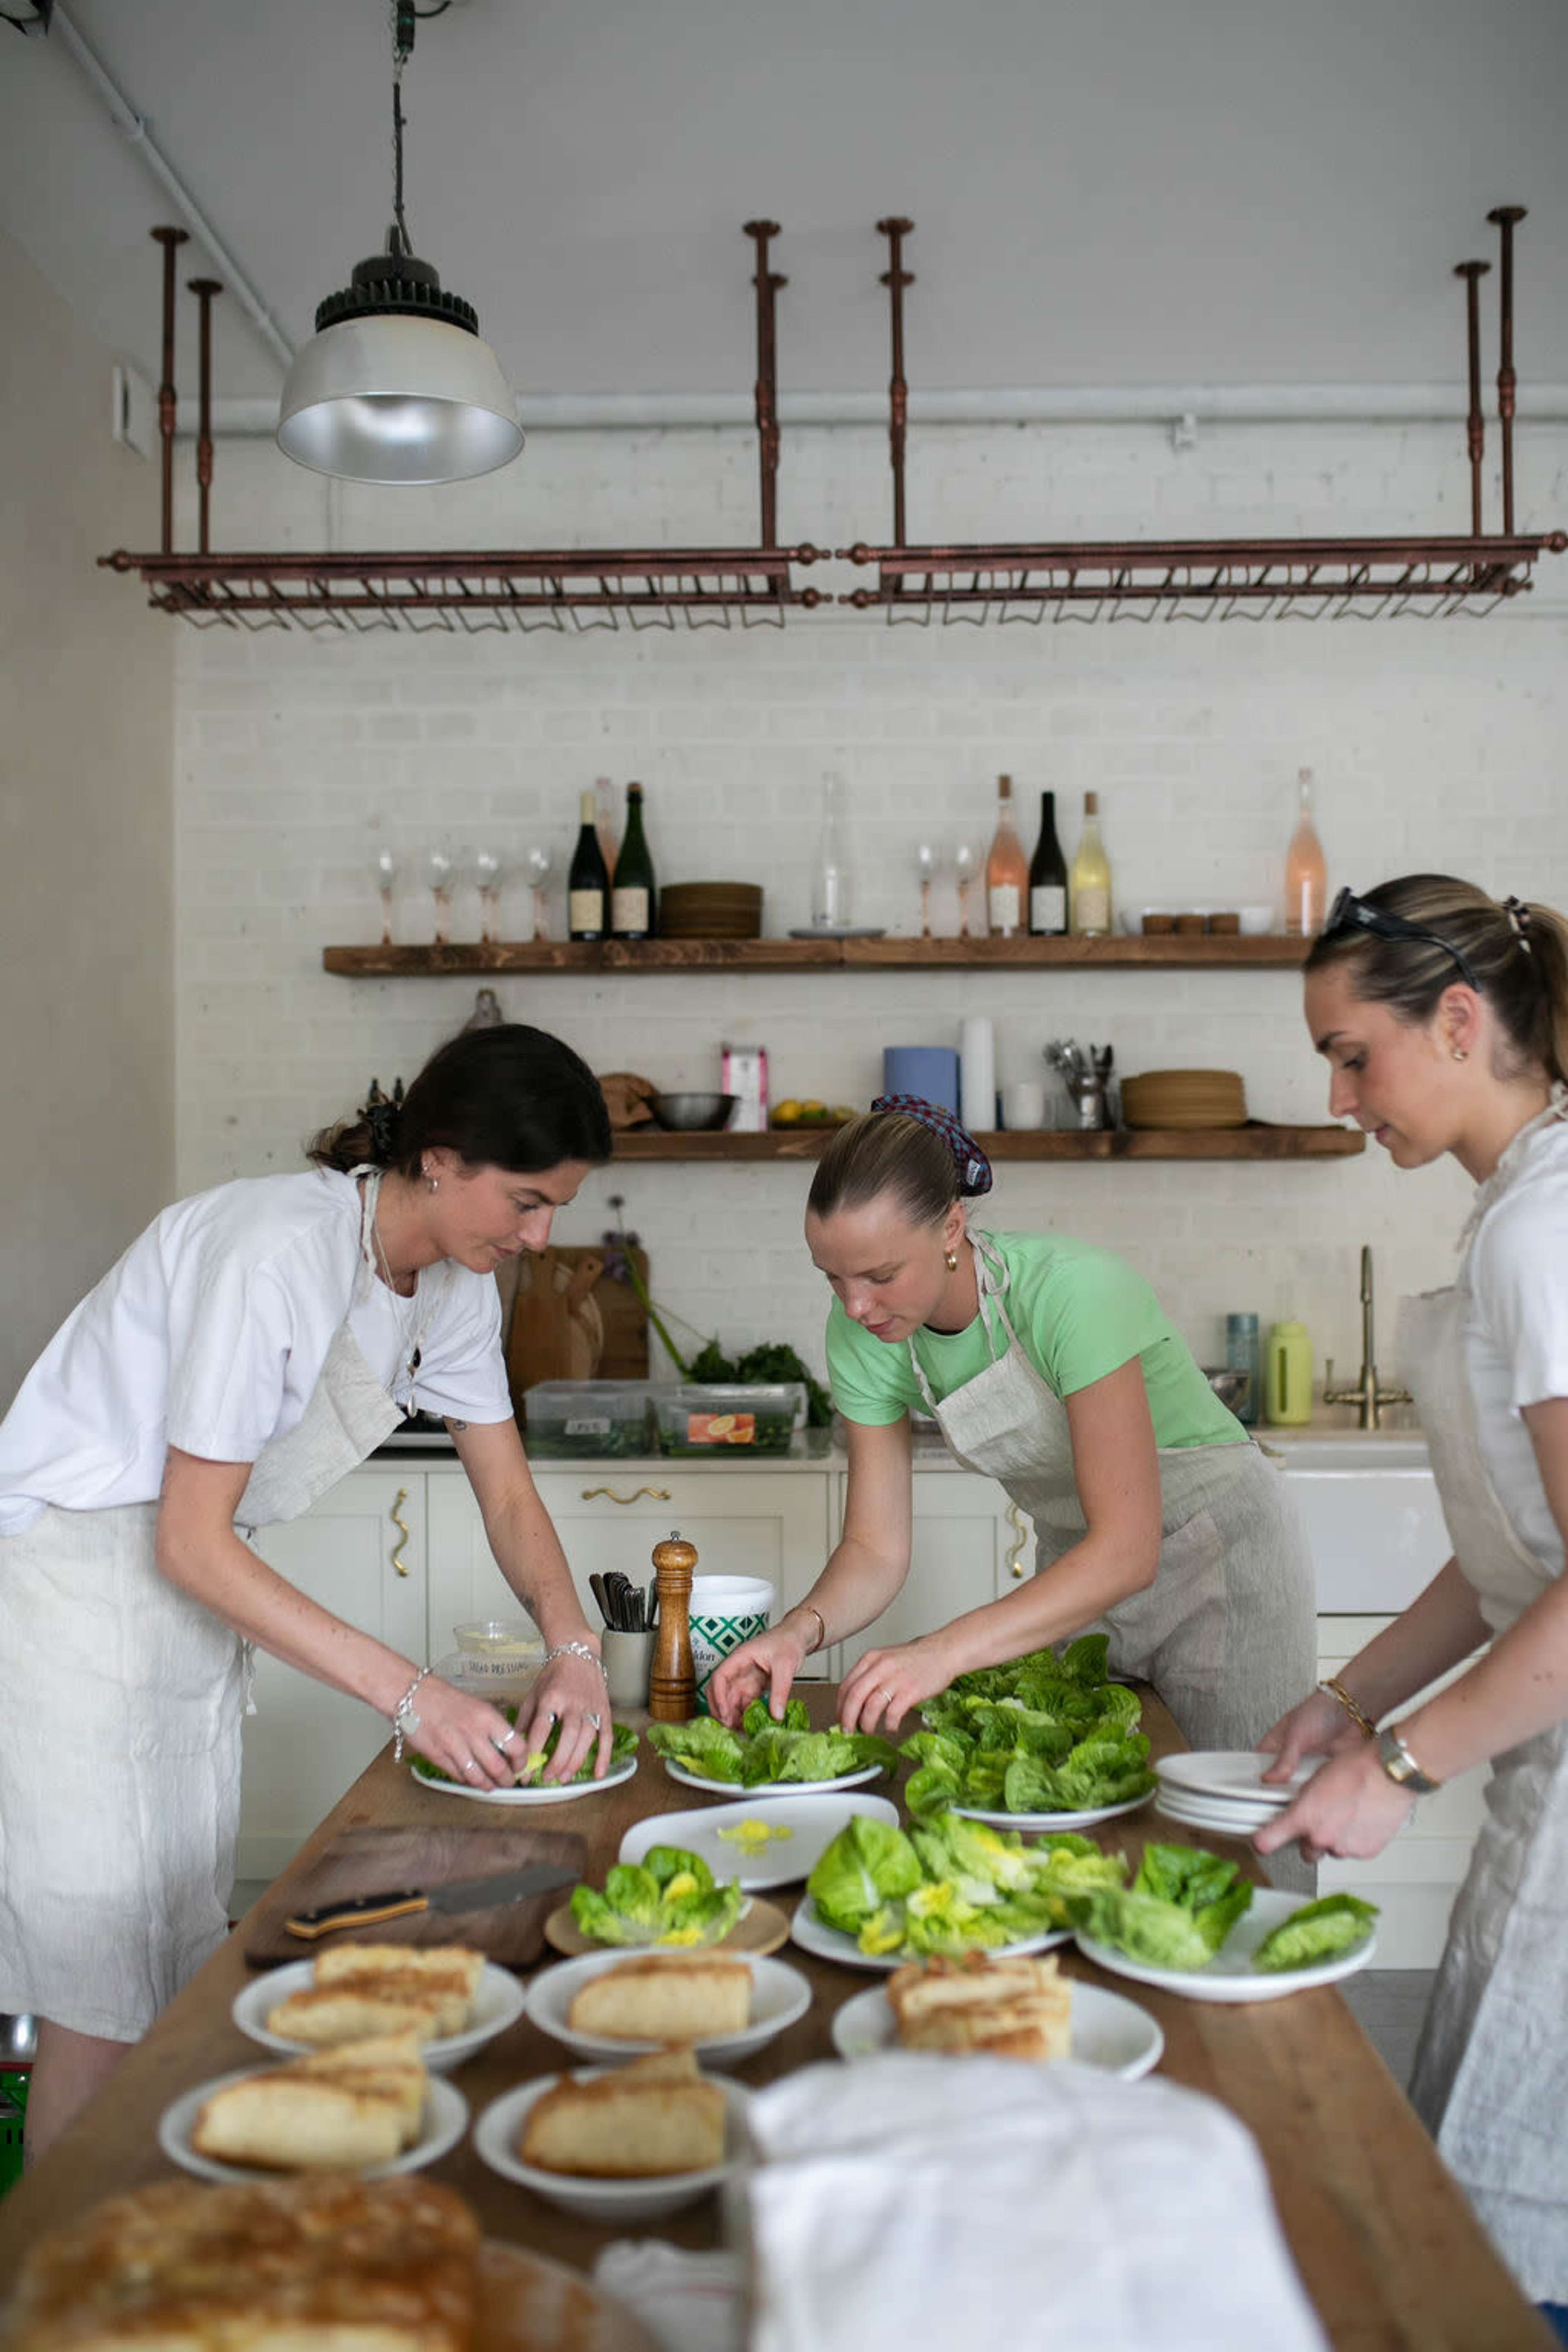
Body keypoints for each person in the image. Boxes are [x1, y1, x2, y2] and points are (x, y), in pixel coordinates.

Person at [0, 1021, 614, 2159]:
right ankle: (53, 2295)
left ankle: (148, 2249)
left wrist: (575, 1654)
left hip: (180, 1591)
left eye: (554, 1209)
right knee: (102, 1984)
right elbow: (190, 1538)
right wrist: (415, 1698)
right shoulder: (275, 1251)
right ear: (440, 1159)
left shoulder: (450, 1289)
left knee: (173, 1947)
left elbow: (511, 1500)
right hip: (80, 1585)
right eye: (526, 1201)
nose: (538, 1237)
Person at [1252, 878, 1568, 2336]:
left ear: (1457, 1019)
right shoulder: (1517, 1211)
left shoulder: (1543, 1233)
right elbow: (1509, 1550)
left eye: (1352, 1053)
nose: (1336, 1095)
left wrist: (1399, 1768)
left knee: (1520, 2227)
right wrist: (1354, 1700)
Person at [708, 1095, 1316, 1777]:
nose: (856, 1307)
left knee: (1249, 1818)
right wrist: (796, 1633)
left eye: (880, 1276)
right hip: (1078, 1575)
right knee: (1097, 1817)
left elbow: (1127, 1550)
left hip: (1217, 1562)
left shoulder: (1072, 1295)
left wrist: (941, 1652)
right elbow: (875, 1547)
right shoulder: (862, 1332)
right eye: (834, 1278)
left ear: (951, 1228)